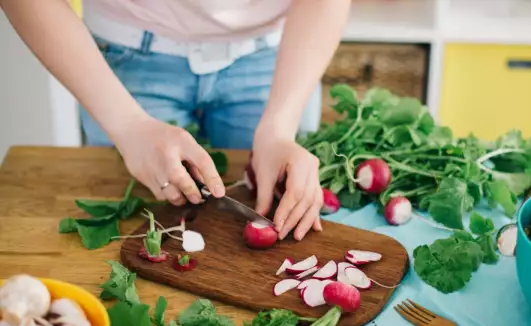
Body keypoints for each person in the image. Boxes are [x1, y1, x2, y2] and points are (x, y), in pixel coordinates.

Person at [0, 0, 352, 241]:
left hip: (274, 55)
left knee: (273, 200)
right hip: (125, 52)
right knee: (133, 219)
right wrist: (127, 125)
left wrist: (279, 126)